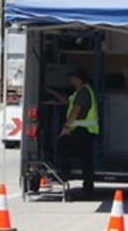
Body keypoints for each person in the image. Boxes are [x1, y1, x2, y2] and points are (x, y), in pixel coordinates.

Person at [47, 68, 99, 198]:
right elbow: (67, 101)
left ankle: (66, 174)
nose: (71, 80)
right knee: (85, 159)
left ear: (79, 79)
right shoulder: (81, 91)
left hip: (83, 130)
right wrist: (52, 92)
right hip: (85, 131)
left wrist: (66, 127)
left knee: (63, 146)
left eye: (73, 77)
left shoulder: (83, 92)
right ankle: (87, 188)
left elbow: (76, 110)